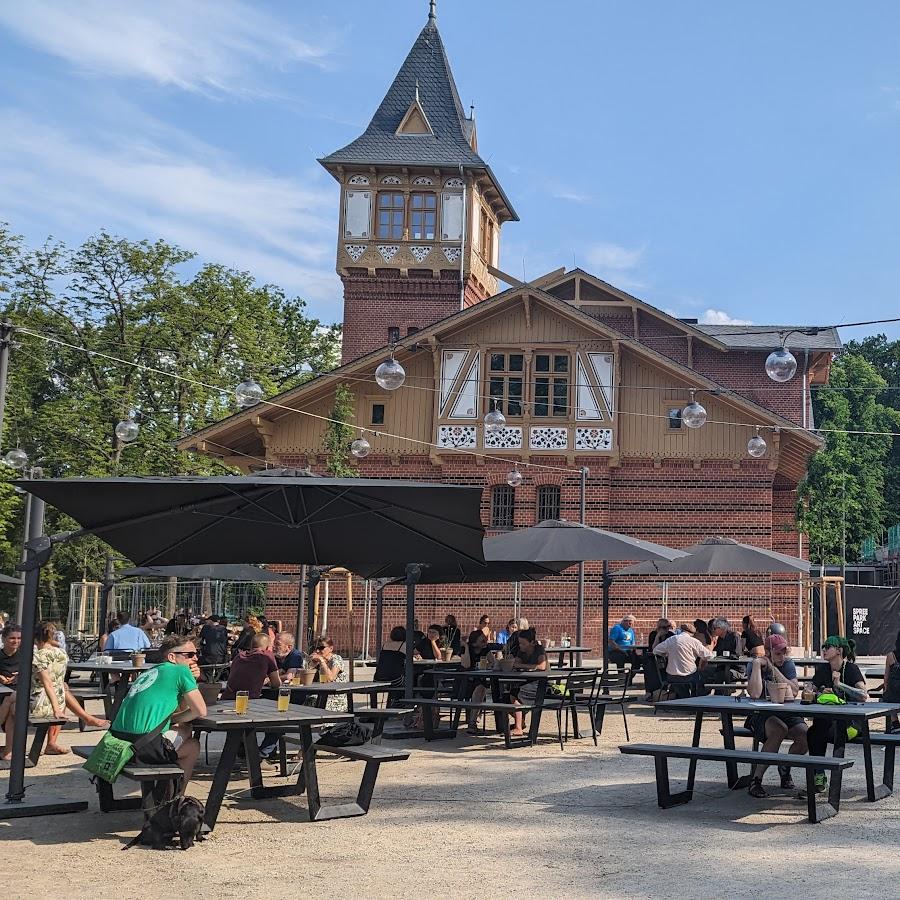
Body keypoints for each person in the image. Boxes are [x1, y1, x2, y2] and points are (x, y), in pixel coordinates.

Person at [109, 634, 205, 780]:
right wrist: (191, 681)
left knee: (181, 729)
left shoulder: (149, 672)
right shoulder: (181, 671)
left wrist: (175, 719)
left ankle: (166, 789)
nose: (195, 659)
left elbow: (177, 709)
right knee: (192, 744)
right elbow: (200, 711)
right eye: (190, 655)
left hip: (117, 742)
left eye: (196, 654)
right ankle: (175, 799)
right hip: (140, 747)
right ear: (172, 657)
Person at [745, 634, 807, 798]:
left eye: (784, 653)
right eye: (778, 653)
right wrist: (758, 665)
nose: (782, 657)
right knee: (779, 729)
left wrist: (773, 668)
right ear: (767, 651)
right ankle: (756, 780)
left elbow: (793, 691)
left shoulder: (787, 664)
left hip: (785, 711)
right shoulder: (755, 664)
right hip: (760, 712)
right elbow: (754, 693)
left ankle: (785, 767)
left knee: (805, 734)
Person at [807, 635, 867, 794]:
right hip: (828, 722)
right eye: (823, 647)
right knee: (813, 731)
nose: (824, 650)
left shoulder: (851, 669)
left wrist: (840, 685)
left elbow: (863, 695)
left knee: (825, 730)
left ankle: (831, 786)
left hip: (852, 724)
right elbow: (809, 689)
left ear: (839, 651)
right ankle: (818, 775)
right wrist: (815, 691)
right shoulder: (823, 669)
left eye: (828, 647)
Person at [1, 622, 69, 760]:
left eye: (20, 638)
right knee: (12, 703)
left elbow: (44, 680)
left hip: (33, 698)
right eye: (12, 638)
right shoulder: (60, 653)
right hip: (57, 701)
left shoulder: (32, 655)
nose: (17, 641)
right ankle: (10, 751)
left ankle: (8, 751)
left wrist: (57, 711)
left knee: (12, 705)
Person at [653, 622, 713, 697]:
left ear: (681, 630)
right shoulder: (693, 641)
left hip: (672, 676)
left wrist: (665, 654)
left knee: (680, 683)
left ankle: (684, 697)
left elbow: (655, 650)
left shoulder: (671, 639)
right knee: (701, 677)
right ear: (692, 633)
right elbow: (709, 655)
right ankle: (693, 699)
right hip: (689, 675)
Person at [508, 628, 547, 737]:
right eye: (519, 643)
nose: (520, 645)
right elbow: (516, 664)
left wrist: (523, 666)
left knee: (516, 695)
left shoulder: (539, 650)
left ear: (532, 643)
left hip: (541, 683)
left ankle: (518, 727)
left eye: (523, 643)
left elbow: (542, 666)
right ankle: (520, 722)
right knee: (507, 696)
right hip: (526, 681)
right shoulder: (522, 651)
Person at [221, 633, 280, 701]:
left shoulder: (239, 656)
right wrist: (267, 680)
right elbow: (276, 684)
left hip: (226, 698)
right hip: (248, 701)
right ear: (267, 647)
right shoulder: (266, 656)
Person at [308, 636, 347, 711]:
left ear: (331, 648)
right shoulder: (319, 660)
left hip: (335, 699)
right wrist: (310, 665)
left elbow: (330, 678)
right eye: (315, 648)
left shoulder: (336, 659)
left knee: (312, 701)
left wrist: (322, 661)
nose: (318, 651)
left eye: (321, 648)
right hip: (321, 694)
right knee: (303, 701)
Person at [198, 614, 229, 681]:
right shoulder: (223, 629)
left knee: (198, 660)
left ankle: (207, 679)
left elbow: (200, 640)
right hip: (222, 658)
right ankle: (215, 679)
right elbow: (226, 643)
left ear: (210, 621)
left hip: (209, 658)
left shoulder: (206, 627)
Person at [881, 628, 900, 732]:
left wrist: (885, 690)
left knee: (886, 697)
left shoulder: (890, 656)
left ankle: (895, 722)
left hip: (894, 694)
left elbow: (886, 678)